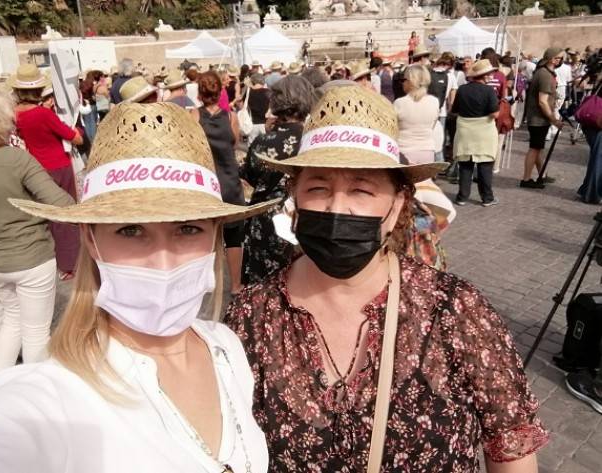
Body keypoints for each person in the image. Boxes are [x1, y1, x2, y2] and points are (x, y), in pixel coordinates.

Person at [225, 85, 547, 472]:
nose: (336, 206)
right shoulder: (251, 317)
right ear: (294, 200)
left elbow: (510, 448)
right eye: (318, 187)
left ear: (396, 207)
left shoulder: (456, 310)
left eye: (361, 189)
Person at [0, 102, 271, 472]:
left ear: (214, 235)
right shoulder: (44, 402)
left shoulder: (226, 349)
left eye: (188, 228)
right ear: (91, 240)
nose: (163, 262)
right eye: (131, 230)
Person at [0, 78, 75, 373]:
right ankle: (34, 396)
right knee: (35, 333)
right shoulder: (14, 158)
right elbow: (61, 203)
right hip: (29, 257)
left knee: (12, 320)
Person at [240, 75, 315, 285]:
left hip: (265, 218)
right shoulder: (312, 141)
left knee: (264, 286)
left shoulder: (265, 141)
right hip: (302, 214)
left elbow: (250, 175)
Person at [12, 64, 83, 280]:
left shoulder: (13, 115)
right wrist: (76, 130)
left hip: (34, 169)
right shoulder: (43, 114)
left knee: (46, 217)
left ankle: (54, 258)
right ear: (37, 90)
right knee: (65, 215)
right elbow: (74, 138)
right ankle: (70, 264)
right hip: (58, 166)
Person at [192, 71, 245, 294]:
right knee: (234, 237)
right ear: (220, 91)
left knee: (206, 234)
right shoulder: (231, 117)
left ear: (200, 93)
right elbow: (235, 143)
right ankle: (235, 285)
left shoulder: (194, 116)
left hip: (205, 182)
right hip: (229, 178)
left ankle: (206, 285)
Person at [451, 59, 500, 207]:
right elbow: (495, 114)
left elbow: (455, 110)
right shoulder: (489, 91)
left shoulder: (462, 89)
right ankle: (487, 197)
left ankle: (462, 197)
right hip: (484, 133)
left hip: (465, 131)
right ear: (484, 76)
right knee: (485, 166)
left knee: (465, 165)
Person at [521, 47, 564, 189]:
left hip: (540, 118)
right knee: (534, 148)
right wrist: (554, 120)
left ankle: (542, 174)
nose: (560, 60)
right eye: (559, 58)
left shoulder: (545, 72)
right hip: (538, 118)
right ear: (552, 59)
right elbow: (542, 101)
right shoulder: (545, 74)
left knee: (538, 148)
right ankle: (526, 179)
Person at [393, 64, 440, 164]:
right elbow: (433, 126)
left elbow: (393, 129)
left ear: (411, 81)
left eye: (404, 80)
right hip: (427, 150)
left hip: (404, 151)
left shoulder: (399, 103)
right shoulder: (434, 101)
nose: (402, 83)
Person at [246, 73, 271, 145]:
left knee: (251, 147)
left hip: (252, 124)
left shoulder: (248, 92)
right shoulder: (269, 93)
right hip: (265, 124)